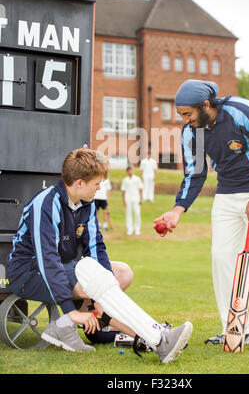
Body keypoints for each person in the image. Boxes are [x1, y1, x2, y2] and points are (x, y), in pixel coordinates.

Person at [7, 148, 193, 361]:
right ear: (79, 183)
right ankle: (159, 340)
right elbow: (47, 260)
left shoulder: (87, 204)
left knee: (122, 273)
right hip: (29, 273)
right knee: (95, 280)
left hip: (65, 267)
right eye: (96, 183)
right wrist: (70, 310)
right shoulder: (46, 203)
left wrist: (108, 290)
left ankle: (64, 327)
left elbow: (96, 247)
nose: (100, 187)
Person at [154, 79, 249, 352]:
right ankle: (237, 329)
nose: (185, 120)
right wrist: (177, 210)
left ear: (206, 105)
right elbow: (194, 174)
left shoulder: (241, 111)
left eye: (188, 114)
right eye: (181, 115)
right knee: (222, 261)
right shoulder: (191, 132)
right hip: (228, 193)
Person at [121, 166, 143, 236]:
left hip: (136, 198)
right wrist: (124, 200)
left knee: (137, 213)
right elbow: (123, 191)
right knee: (128, 214)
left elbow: (140, 189)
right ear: (127, 172)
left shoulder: (137, 179)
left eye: (131, 170)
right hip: (128, 198)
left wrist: (141, 198)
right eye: (128, 171)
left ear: (132, 171)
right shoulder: (125, 180)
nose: (130, 172)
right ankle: (130, 229)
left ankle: (137, 229)